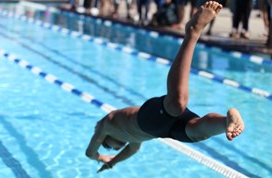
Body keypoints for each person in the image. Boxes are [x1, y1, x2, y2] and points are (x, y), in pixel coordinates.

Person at [86, 1, 244, 173]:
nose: (115, 148)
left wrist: (100, 156)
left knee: (177, 104)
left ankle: (192, 32)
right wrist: (112, 163)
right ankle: (227, 121)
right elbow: (131, 150)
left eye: (109, 146)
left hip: (148, 118)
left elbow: (89, 153)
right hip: (162, 130)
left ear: (106, 139)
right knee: (197, 131)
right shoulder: (132, 139)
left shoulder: (106, 125)